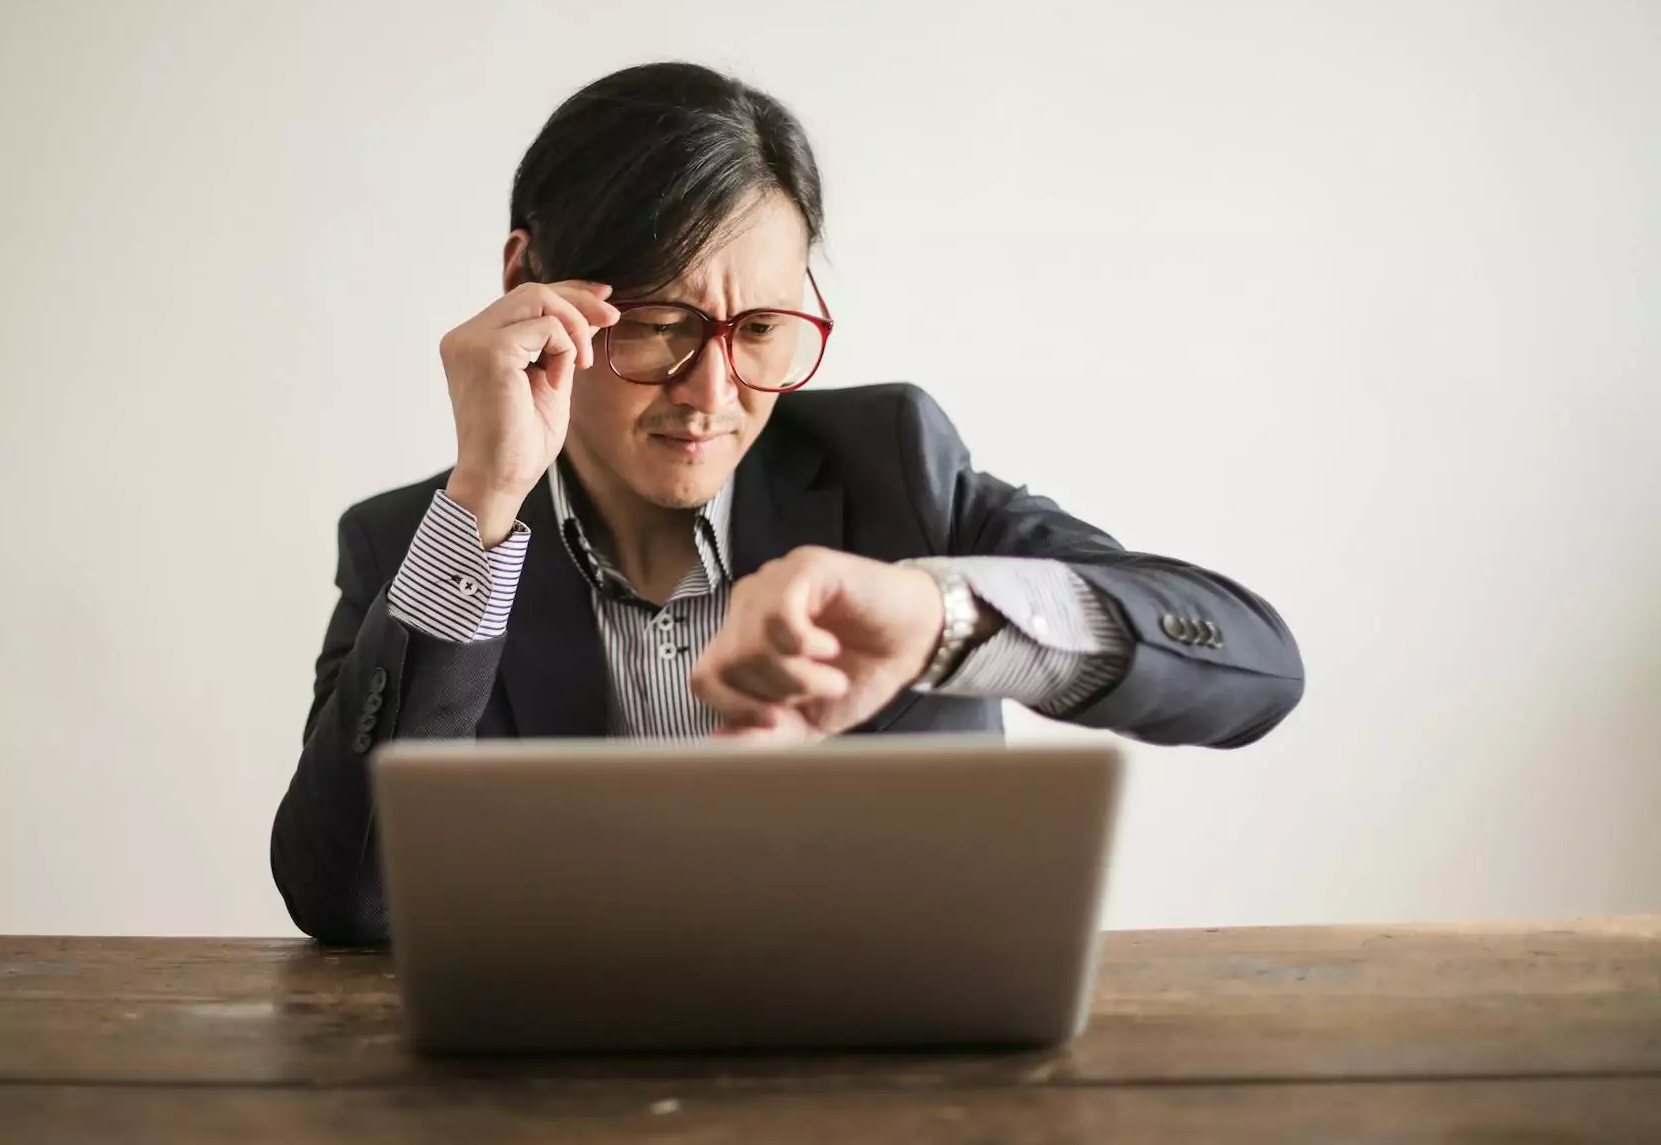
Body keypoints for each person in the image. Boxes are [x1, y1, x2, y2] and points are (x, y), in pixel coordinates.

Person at [271, 62, 1304, 944]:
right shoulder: (417, 543)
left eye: (761, 328)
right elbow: (348, 897)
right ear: (528, 288)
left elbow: (1251, 667)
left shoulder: (894, 465)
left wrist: (941, 622)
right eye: (660, 324)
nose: (712, 397)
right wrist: (486, 501)